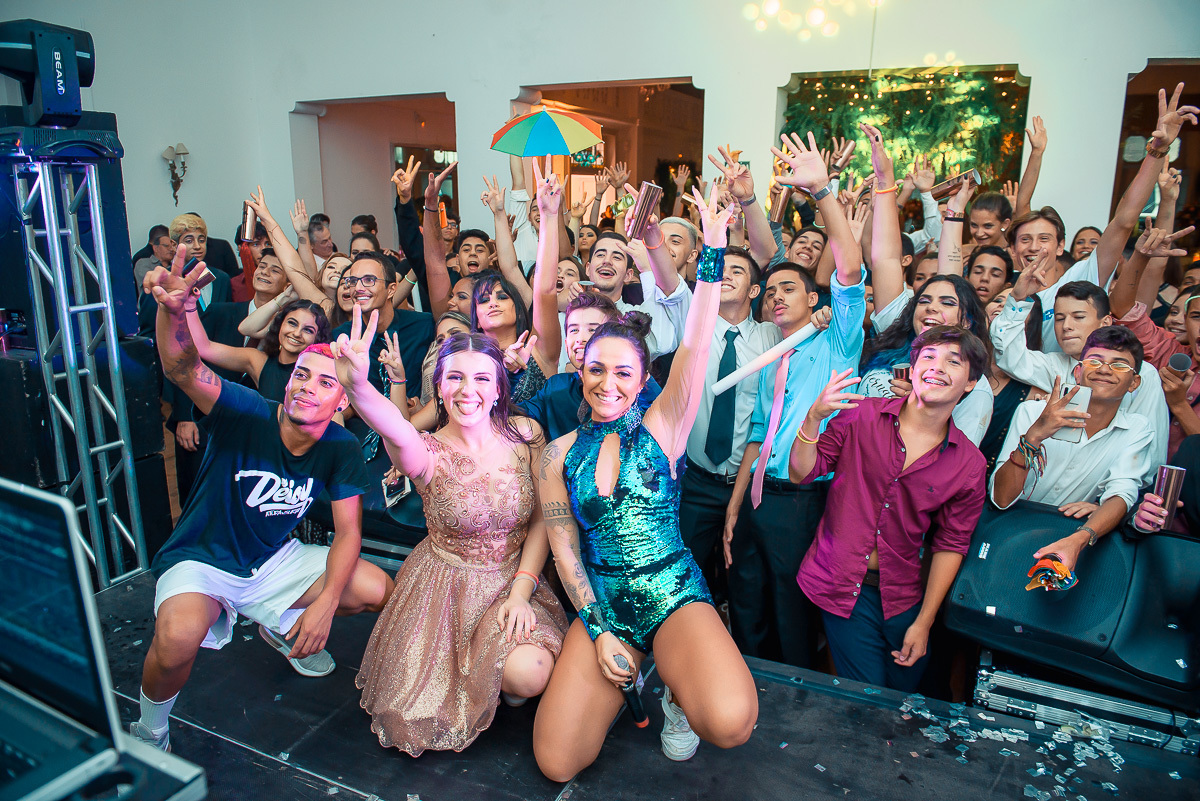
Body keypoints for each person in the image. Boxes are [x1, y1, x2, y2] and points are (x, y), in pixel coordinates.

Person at [533, 183, 756, 780]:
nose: (608, 381)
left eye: (623, 371)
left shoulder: (663, 427)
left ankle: (678, 692)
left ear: (641, 378)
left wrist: (712, 248)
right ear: (580, 370)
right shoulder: (556, 455)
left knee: (732, 721)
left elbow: (698, 340)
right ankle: (629, 673)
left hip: (673, 595)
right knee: (556, 763)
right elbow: (564, 550)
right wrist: (600, 629)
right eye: (596, 368)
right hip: (605, 602)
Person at [130, 246, 391, 752]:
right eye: (300, 376)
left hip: (272, 563)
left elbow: (349, 533)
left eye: (324, 382)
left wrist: (323, 606)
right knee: (178, 640)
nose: (306, 388)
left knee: (371, 586)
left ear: (343, 402)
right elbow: (183, 368)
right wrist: (172, 312)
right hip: (204, 559)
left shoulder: (340, 448)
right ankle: (150, 730)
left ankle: (280, 621)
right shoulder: (247, 410)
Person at [333, 305, 567, 755]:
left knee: (529, 674)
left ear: (499, 389)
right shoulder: (426, 453)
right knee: (422, 713)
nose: (467, 390)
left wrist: (522, 588)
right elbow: (397, 430)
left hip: (513, 581)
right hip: (443, 592)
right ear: (439, 388)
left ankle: (499, 678)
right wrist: (358, 387)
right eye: (455, 378)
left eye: (481, 378)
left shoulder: (527, 434)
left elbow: (542, 517)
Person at [788, 326, 988, 690]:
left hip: (905, 597)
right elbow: (802, 472)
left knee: (902, 696)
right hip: (842, 586)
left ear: (971, 382)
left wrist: (924, 622)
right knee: (867, 698)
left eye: (952, 361)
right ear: (912, 370)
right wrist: (813, 418)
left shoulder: (969, 465)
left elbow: (951, 544)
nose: (936, 366)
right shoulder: (861, 415)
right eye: (927, 357)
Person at [990, 327, 1157, 572]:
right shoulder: (1032, 413)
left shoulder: (1137, 430)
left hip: (1068, 535)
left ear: (1134, 383)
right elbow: (1000, 499)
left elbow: (1122, 493)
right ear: (1077, 372)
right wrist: (1034, 436)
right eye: (1094, 361)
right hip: (1004, 526)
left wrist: (1079, 539)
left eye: (1119, 365)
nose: (1104, 370)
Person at [991, 257, 1170, 467]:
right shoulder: (1054, 365)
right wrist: (1019, 298)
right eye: (1059, 318)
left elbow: (1151, 449)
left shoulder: (1141, 373)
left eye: (1078, 317)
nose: (1066, 326)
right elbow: (1008, 354)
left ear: (1105, 323)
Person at [187, 297, 330, 403]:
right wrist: (189, 305)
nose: (297, 333)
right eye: (292, 323)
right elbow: (204, 348)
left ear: (317, 339)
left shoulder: (320, 374)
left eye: (308, 330)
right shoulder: (258, 361)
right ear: (280, 324)